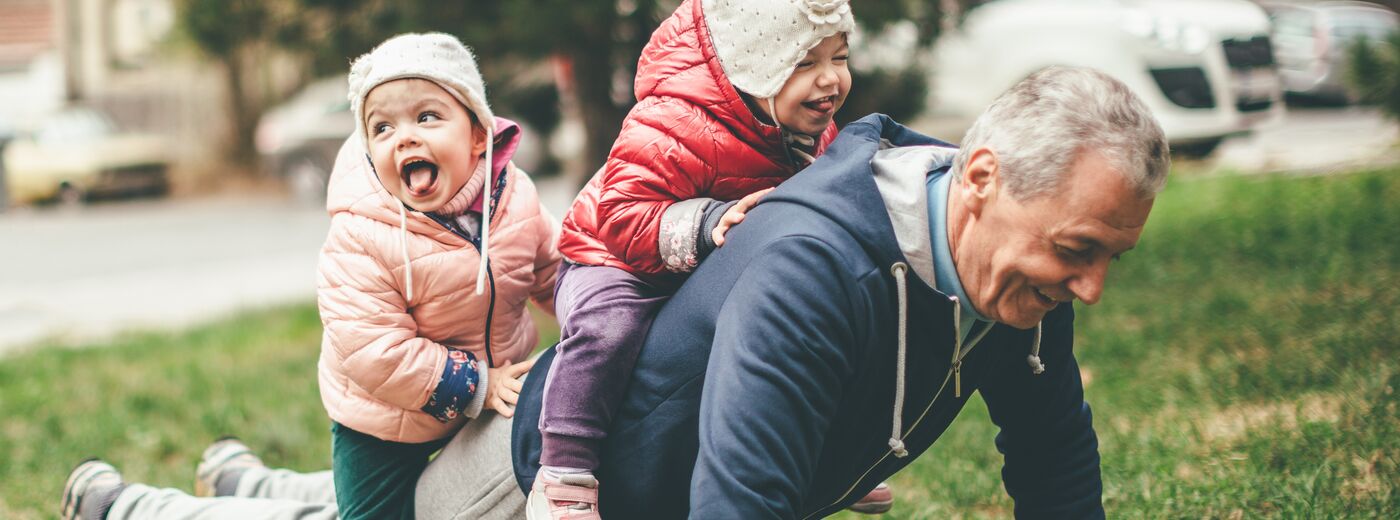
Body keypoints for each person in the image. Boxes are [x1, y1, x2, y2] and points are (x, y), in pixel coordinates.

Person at [514, 66, 1170, 518]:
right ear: (981, 178)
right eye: (1077, 251)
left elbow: (1052, 455)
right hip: (554, 477)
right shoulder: (814, 269)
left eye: (1111, 256)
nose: (1092, 289)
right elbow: (740, 508)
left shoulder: (1021, 275)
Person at [59, 32, 559, 520]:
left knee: (434, 495)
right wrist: (476, 384)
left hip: (487, 392)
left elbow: (551, 268)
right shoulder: (362, 233)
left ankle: (251, 484)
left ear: (478, 134)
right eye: (382, 128)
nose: (404, 136)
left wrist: (596, 307)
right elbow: (371, 350)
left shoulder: (515, 199)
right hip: (384, 421)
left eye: (427, 116)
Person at [531, 0, 892, 516]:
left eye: (839, 57)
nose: (830, 80)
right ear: (751, 65)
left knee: (804, 326)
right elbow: (621, 213)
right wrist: (704, 224)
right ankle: (564, 469)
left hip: (709, 265)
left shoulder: (808, 131)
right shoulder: (672, 119)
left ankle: (828, 454)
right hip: (613, 258)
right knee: (608, 328)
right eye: (805, 64)